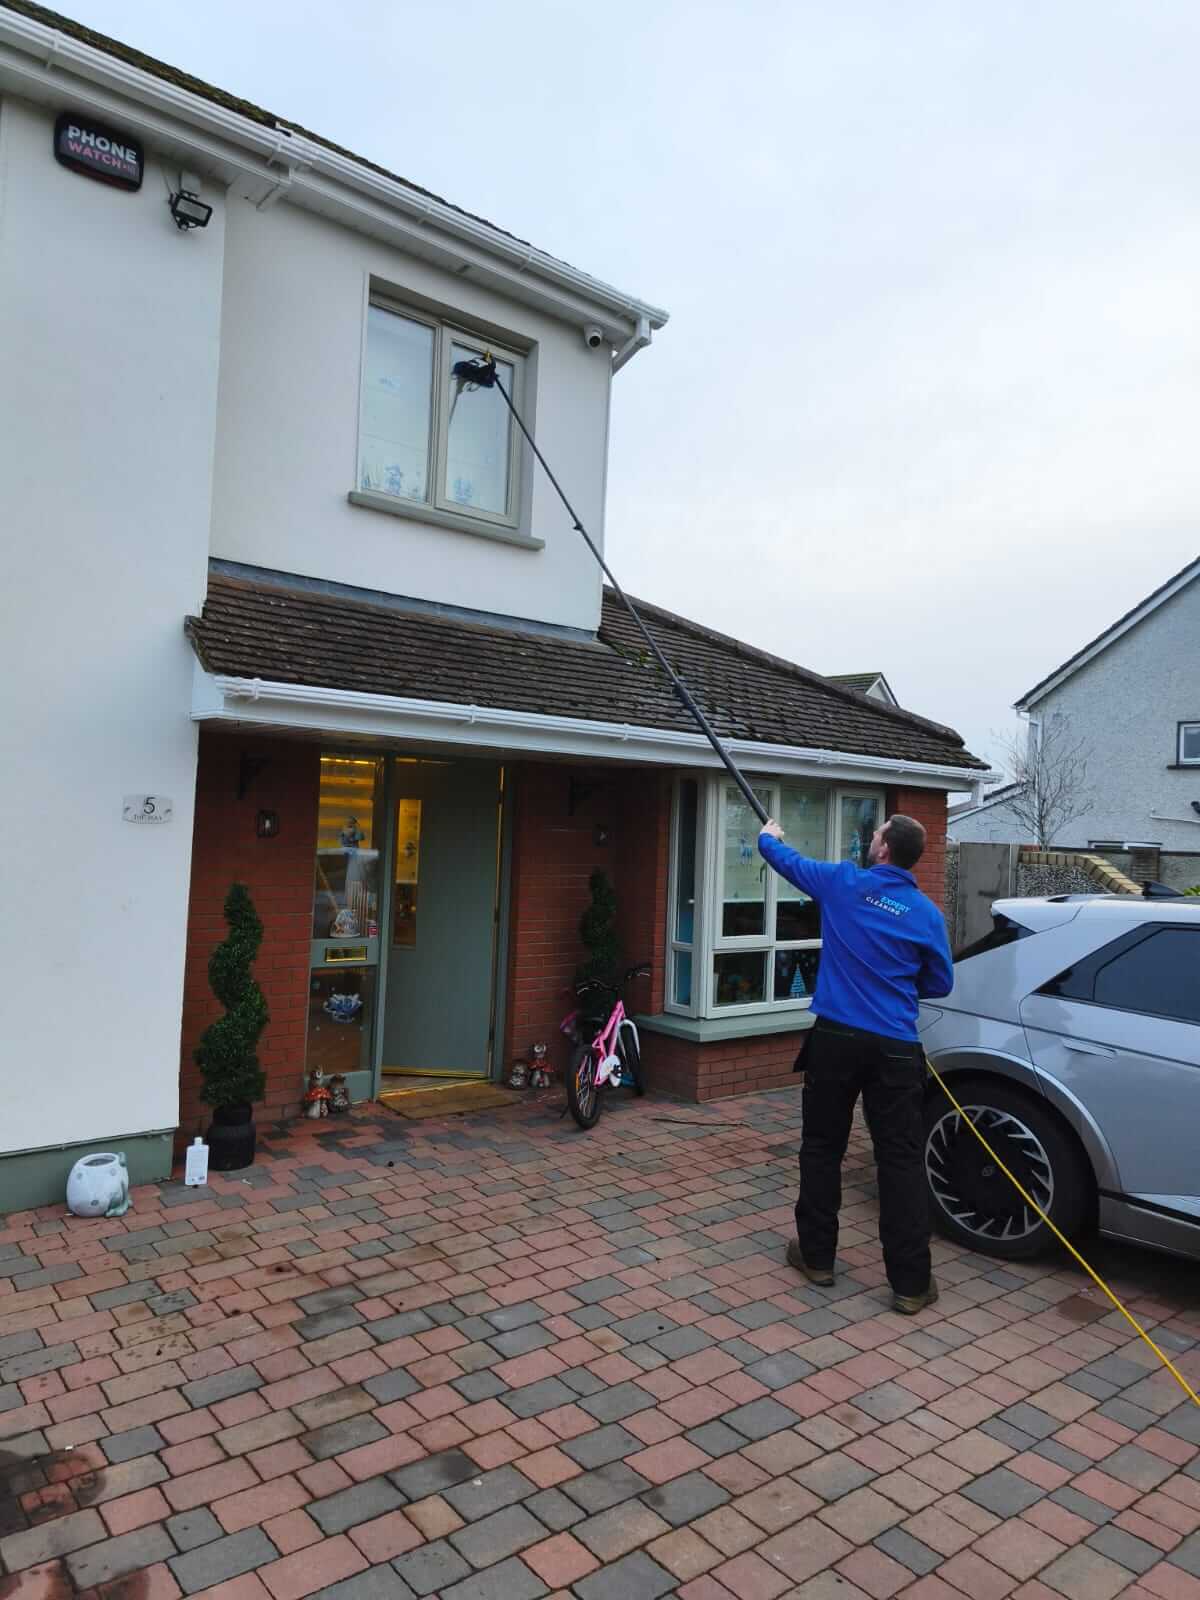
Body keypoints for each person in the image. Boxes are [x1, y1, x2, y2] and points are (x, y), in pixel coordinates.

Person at [758, 812, 953, 1314]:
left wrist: (768, 835)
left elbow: (785, 860)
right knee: (901, 1161)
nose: (871, 838)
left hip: (836, 1040)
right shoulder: (927, 915)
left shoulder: (844, 884)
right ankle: (911, 1285)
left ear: (885, 849)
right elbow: (939, 983)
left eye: (877, 833)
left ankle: (818, 1257)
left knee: (822, 1148)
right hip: (895, 1048)